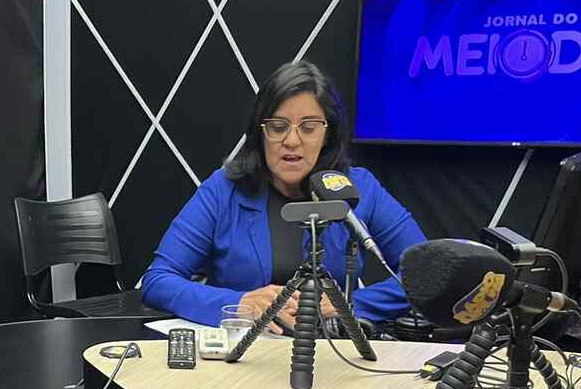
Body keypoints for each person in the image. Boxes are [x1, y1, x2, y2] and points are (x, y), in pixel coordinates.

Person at [141, 61, 424, 332]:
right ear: (260, 132)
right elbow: (158, 280)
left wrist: (347, 305)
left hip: (331, 351)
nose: (291, 141)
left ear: (327, 134)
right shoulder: (223, 189)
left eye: (308, 128)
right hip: (247, 352)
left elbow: (425, 274)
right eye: (278, 127)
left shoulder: (358, 187)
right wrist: (239, 303)